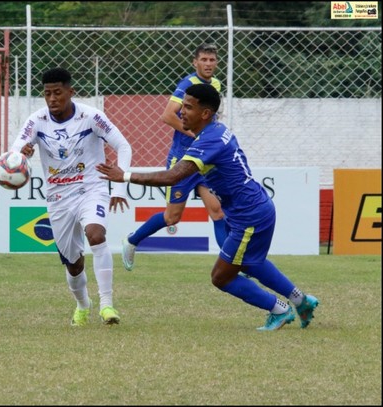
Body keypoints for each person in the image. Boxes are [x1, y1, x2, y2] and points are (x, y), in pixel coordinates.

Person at [96, 83, 319, 331]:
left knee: (221, 277)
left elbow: (172, 177)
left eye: (188, 107)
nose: (181, 112)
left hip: (249, 216)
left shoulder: (208, 141)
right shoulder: (216, 132)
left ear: (205, 113)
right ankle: (301, 300)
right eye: (182, 105)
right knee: (251, 263)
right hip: (255, 208)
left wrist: (124, 176)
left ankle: (279, 309)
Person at [10, 67, 132, 326]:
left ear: (70, 92)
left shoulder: (91, 117)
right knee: (73, 264)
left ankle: (107, 305)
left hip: (91, 188)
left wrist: (119, 186)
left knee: (96, 235)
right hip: (58, 198)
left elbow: (123, 145)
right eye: (47, 94)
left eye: (57, 93)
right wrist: (24, 154)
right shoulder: (37, 121)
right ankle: (82, 304)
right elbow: (15, 152)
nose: (52, 99)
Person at [121, 43, 228, 271]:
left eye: (212, 60)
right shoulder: (188, 84)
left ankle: (233, 264)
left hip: (206, 161)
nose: (209, 64)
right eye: (204, 60)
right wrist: (195, 135)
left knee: (217, 211)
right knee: (172, 218)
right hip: (183, 161)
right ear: (195, 62)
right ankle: (132, 241)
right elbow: (168, 115)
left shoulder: (216, 84)